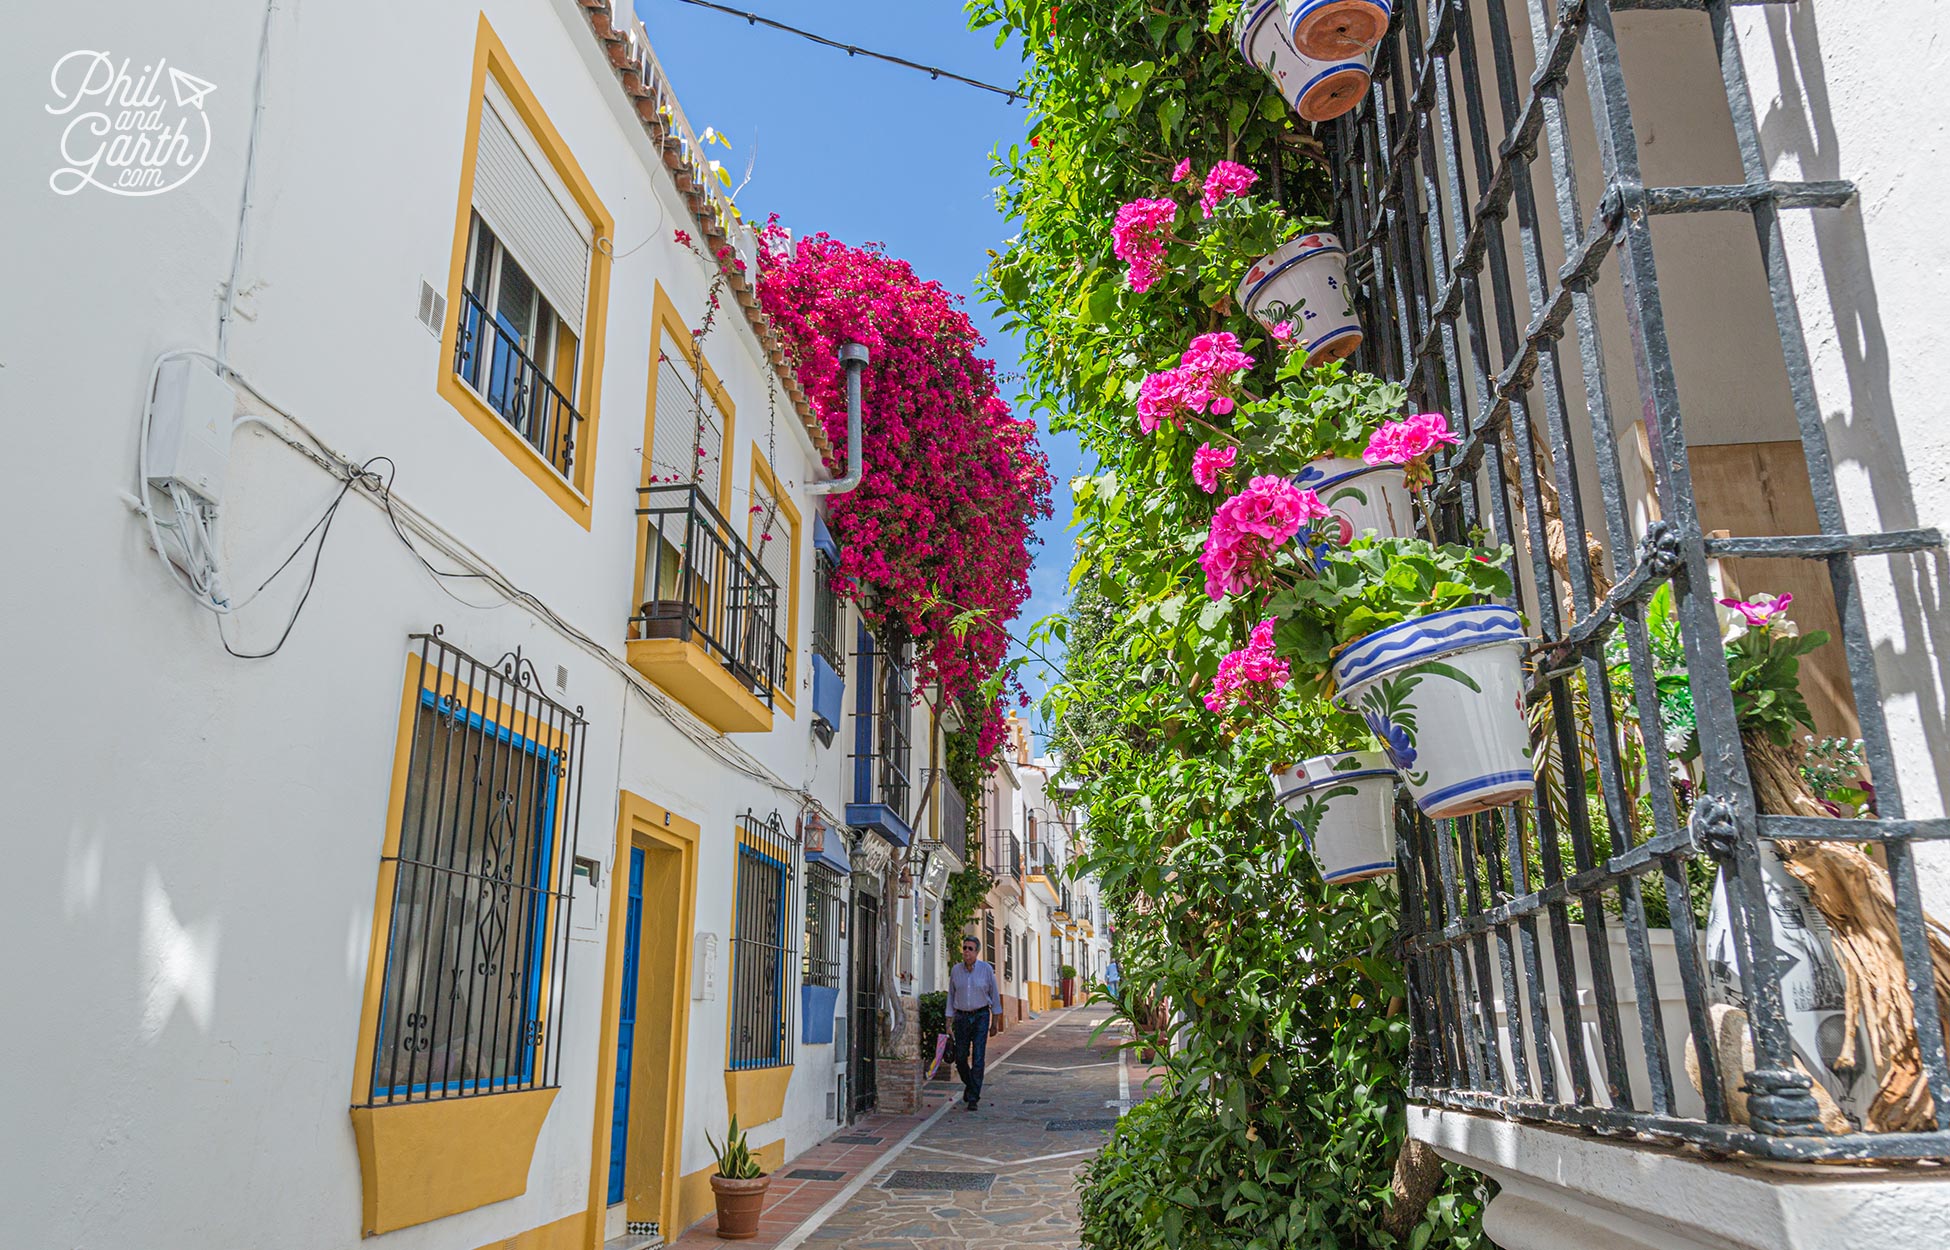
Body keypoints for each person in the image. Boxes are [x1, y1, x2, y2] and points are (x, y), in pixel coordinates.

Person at [946, 935, 1001, 1110]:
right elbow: (951, 997)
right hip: (961, 1018)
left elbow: (994, 996)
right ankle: (971, 1086)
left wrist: (995, 1023)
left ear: (977, 952)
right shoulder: (956, 970)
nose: (966, 952)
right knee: (960, 1058)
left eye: (970, 949)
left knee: (978, 1057)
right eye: (965, 948)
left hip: (981, 1016)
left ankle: (972, 1098)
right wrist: (948, 1022)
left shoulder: (986, 970)